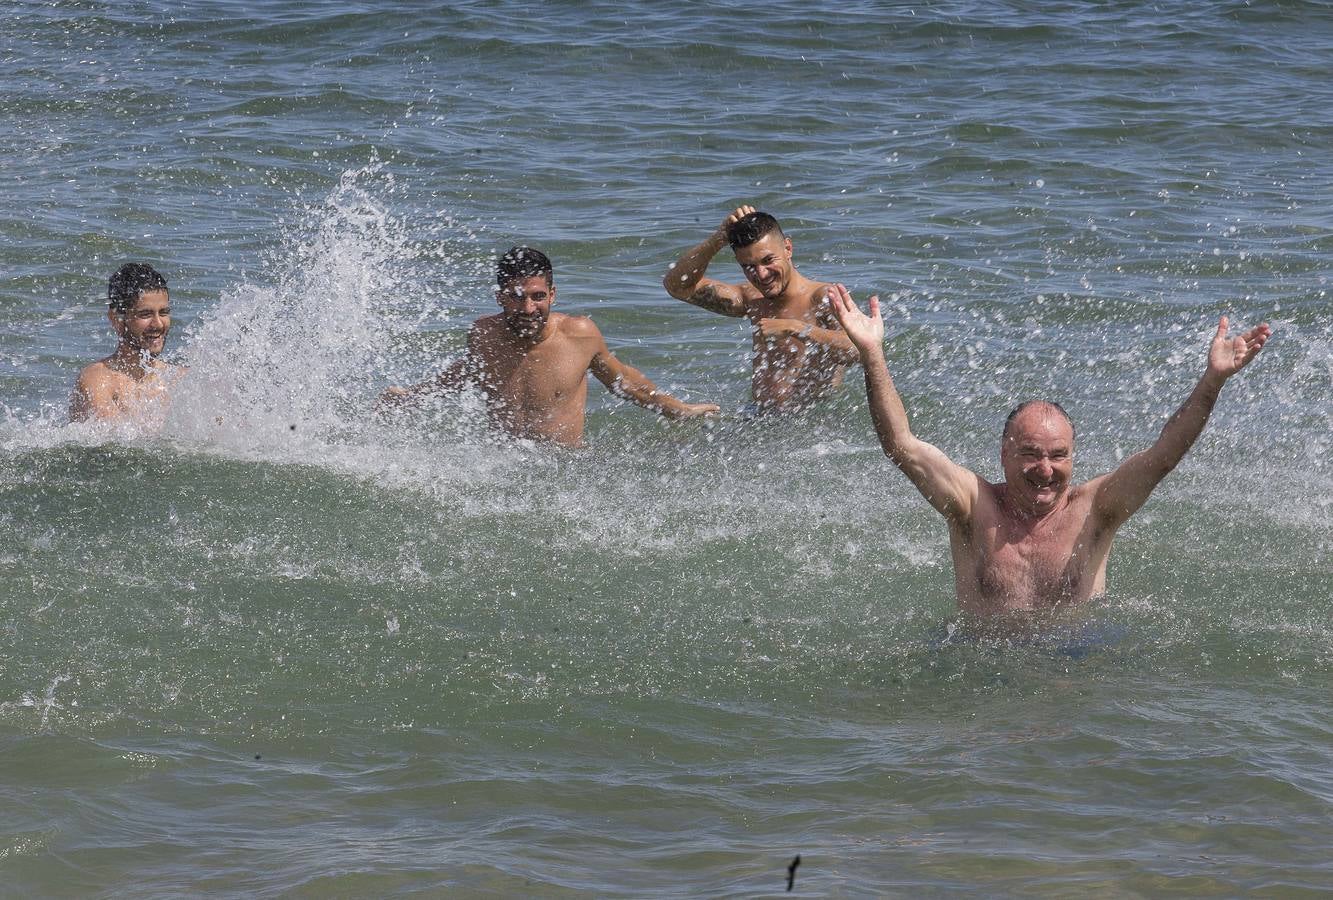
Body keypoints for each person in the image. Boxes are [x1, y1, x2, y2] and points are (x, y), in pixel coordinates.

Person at [828, 284, 1272, 617]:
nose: (1045, 469)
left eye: (1058, 455)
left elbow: (1163, 456)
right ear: (1004, 454)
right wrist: (872, 354)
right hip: (983, 660)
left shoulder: (1097, 508)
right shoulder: (972, 505)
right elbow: (900, 445)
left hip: (1074, 658)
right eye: (1031, 454)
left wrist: (1212, 381)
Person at [380, 247, 718, 446]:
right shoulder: (484, 334)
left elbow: (624, 382)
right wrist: (415, 396)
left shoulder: (579, 334)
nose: (528, 309)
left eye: (538, 297)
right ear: (500, 298)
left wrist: (677, 409)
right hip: (505, 462)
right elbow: (468, 372)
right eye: (516, 298)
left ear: (552, 295)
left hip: (565, 467)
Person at [662, 206, 858, 413]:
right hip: (757, 416)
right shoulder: (752, 298)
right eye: (748, 266)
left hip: (811, 421)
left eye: (768, 260)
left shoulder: (824, 297)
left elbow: (861, 351)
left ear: (788, 249)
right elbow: (677, 286)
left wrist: (798, 329)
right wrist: (718, 239)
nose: (761, 275)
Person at [70, 262, 179, 424]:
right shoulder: (98, 379)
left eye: (163, 312)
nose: (158, 324)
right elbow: (113, 442)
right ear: (117, 319)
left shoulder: (180, 379)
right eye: (145, 314)